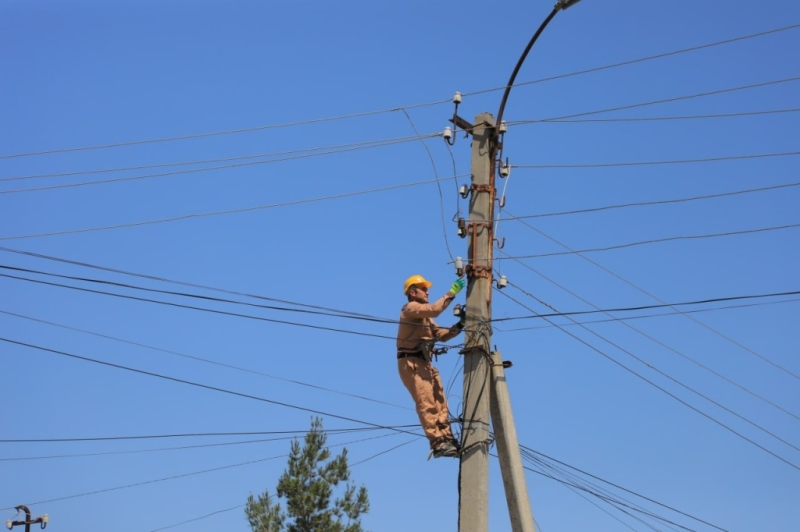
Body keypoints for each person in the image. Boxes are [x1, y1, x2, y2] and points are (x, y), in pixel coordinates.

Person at [396, 274, 466, 458]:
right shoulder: (410, 308)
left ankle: (447, 439)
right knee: (426, 402)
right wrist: (451, 293)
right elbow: (435, 309)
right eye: (424, 289)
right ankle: (437, 442)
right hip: (411, 362)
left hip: (424, 363)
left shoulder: (425, 318)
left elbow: (441, 335)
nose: (427, 292)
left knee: (440, 403)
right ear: (412, 292)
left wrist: (461, 325)